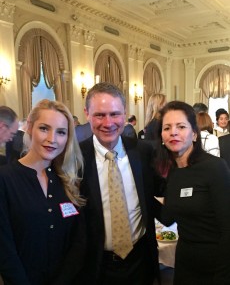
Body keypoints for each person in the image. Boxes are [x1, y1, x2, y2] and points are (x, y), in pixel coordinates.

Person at [79, 82, 163, 285]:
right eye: (100, 115)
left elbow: (164, 190)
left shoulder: (144, 152)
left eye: (115, 114)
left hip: (141, 261)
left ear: (125, 114)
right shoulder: (75, 159)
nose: (108, 123)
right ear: (87, 114)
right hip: (97, 267)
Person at [0, 99, 86, 285]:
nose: (52, 139)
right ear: (30, 128)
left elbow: (78, 242)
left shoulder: (68, 181)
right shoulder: (5, 179)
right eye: (44, 128)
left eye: (61, 132)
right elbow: (5, 250)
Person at [154, 101, 230, 285]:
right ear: (162, 136)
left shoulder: (214, 167)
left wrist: (223, 277)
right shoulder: (172, 171)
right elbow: (168, 217)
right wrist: (141, 191)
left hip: (215, 266)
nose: (173, 132)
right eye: (167, 127)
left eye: (181, 126)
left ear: (194, 134)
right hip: (185, 265)